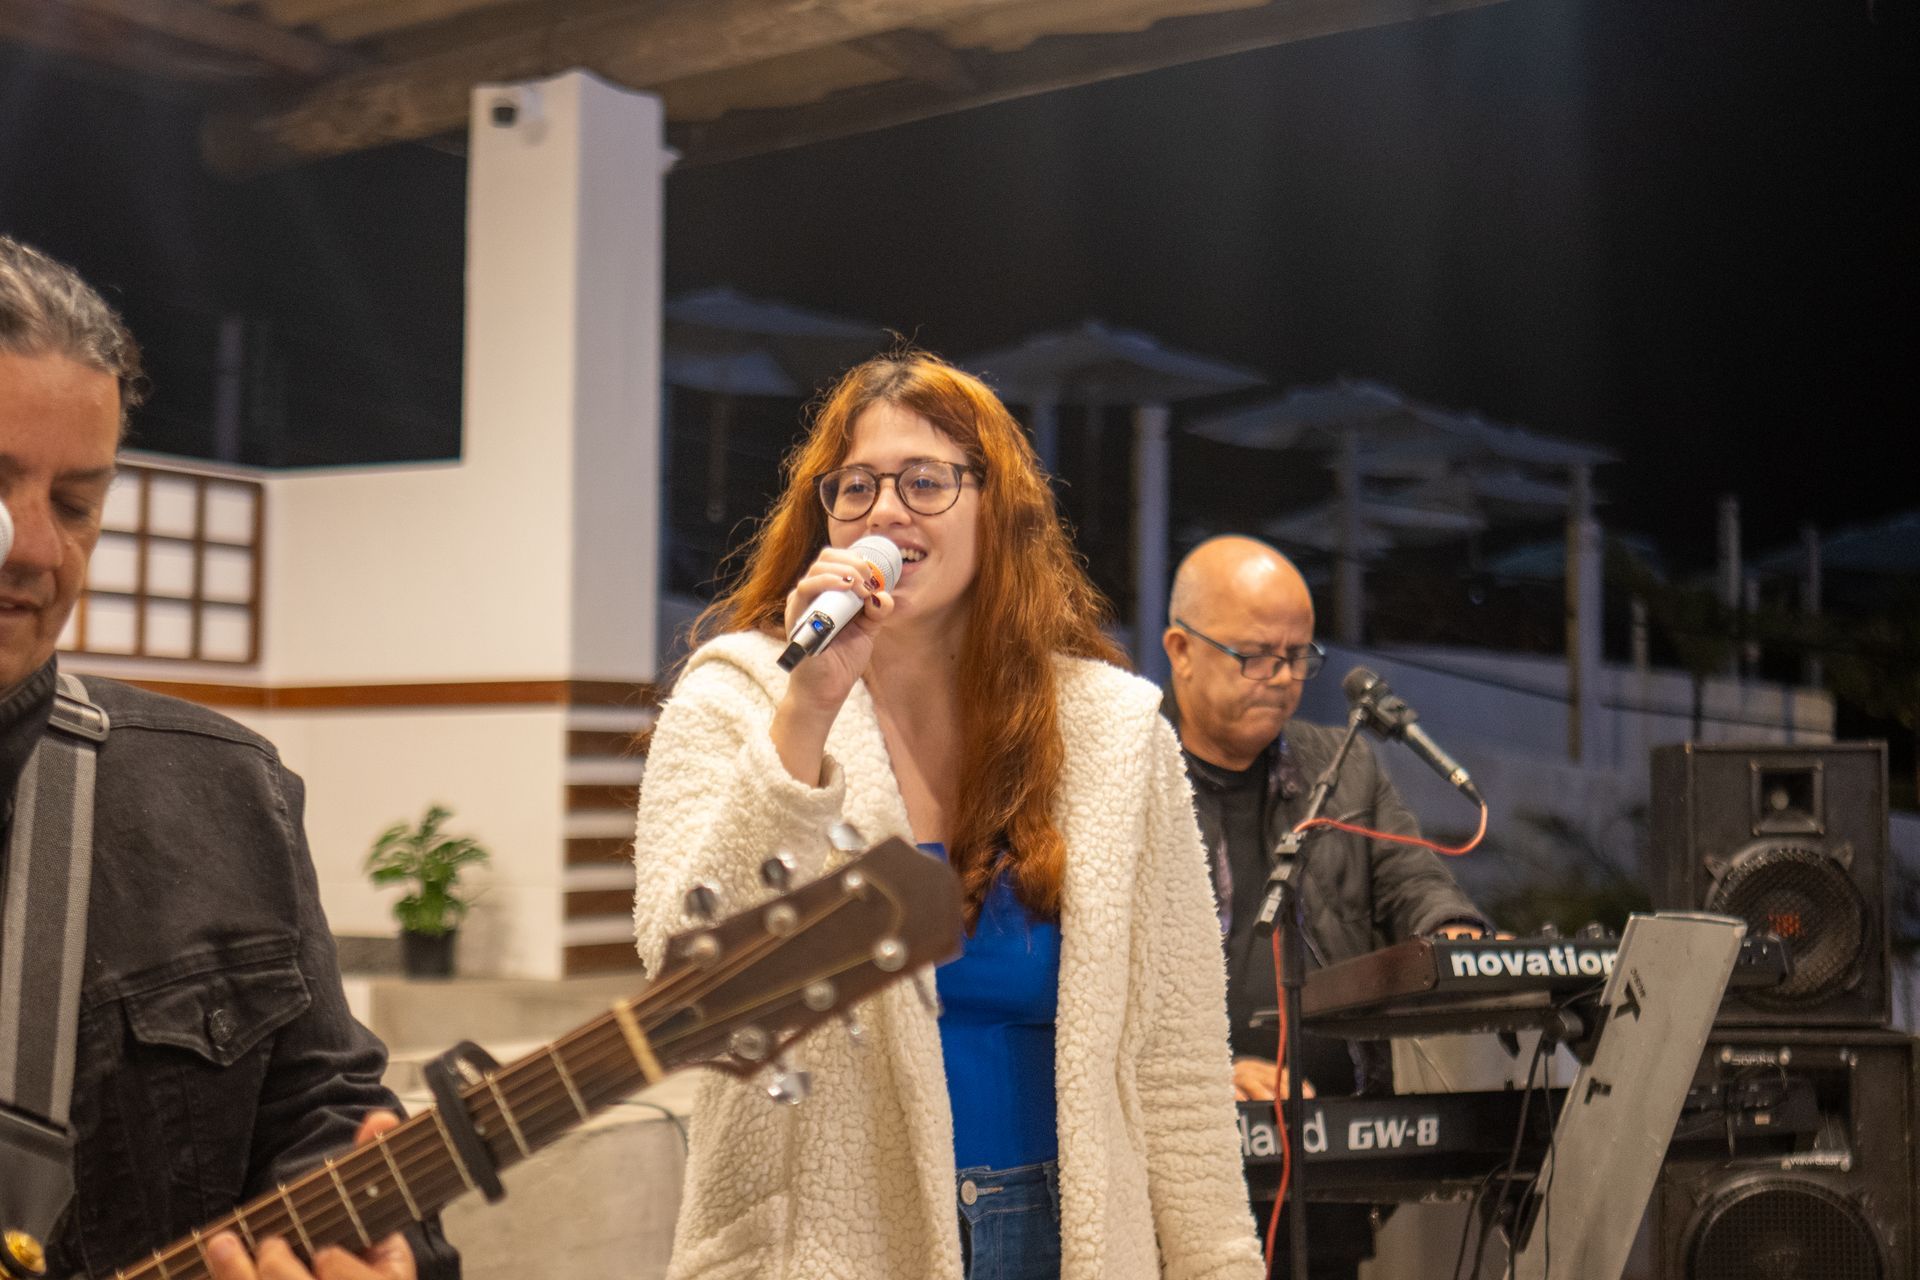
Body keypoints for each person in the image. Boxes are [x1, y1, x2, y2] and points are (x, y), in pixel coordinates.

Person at [631, 351, 1264, 1280]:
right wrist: (803, 715)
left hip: (1069, 1236)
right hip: (836, 1246)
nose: (887, 510)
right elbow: (687, 972)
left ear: (998, 509)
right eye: (856, 486)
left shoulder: (1111, 730)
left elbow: (1178, 1066)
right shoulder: (736, 700)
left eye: (926, 481)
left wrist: (1218, 1264)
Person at [0, 236, 454, 1280]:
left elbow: (324, 1112)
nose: (34, 547)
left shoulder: (221, 789)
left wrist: (389, 1246)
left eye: (75, 503)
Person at [1161, 535, 1491, 1279]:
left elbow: (1414, 880)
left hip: (1329, 1173)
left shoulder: (1342, 769)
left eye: (1299, 656)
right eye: (1255, 655)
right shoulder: (1132, 771)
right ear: (1182, 649)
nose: (1282, 679)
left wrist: (1453, 934)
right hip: (1182, 1168)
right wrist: (1206, 1075)